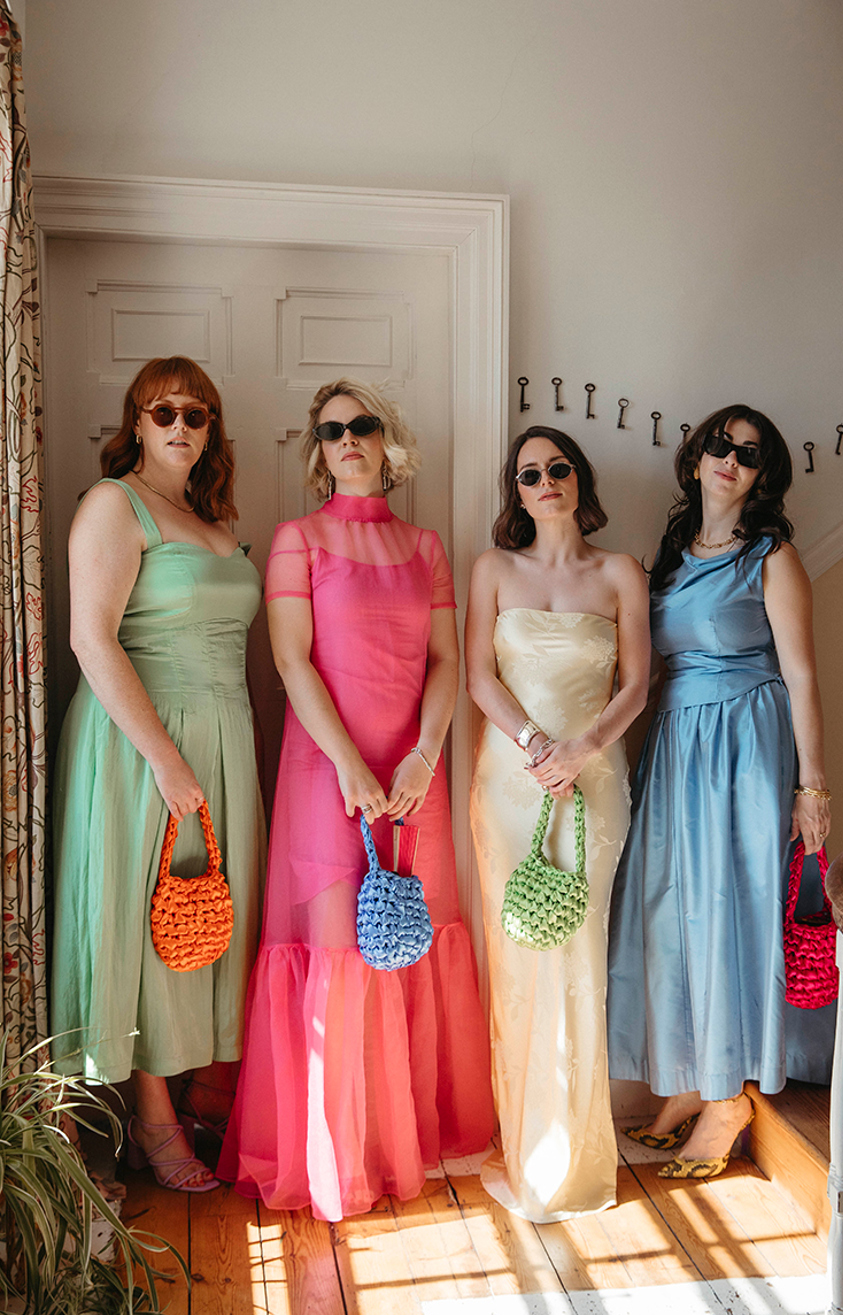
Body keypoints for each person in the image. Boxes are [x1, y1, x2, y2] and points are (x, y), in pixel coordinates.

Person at [218, 378, 492, 1219]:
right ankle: (336, 1158)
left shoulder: (426, 546)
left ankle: (399, 1141)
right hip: (324, 772)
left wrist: (423, 756)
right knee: (338, 948)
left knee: (402, 941)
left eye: (361, 425)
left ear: (385, 440)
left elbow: (446, 662)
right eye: (330, 429)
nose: (346, 439)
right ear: (318, 449)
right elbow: (290, 660)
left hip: (413, 776)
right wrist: (347, 765)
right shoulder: (296, 539)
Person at [51, 356, 265, 1193]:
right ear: (136, 424)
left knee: (195, 919)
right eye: (162, 411)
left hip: (222, 735)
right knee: (144, 923)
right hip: (142, 742)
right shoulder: (115, 503)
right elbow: (91, 638)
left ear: (212, 430)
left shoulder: (213, 518)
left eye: (196, 413)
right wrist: (167, 760)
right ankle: (149, 1118)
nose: (180, 425)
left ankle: (180, 1097)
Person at [607, 405, 834, 1180]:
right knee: (670, 912)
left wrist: (812, 785)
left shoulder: (771, 557)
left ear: (763, 475)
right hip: (675, 743)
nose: (729, 458)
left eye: (748, 452)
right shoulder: (669, 557)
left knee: (727, 909)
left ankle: (730, 1096)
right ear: (695, 457)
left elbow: (800, 674)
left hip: (744, 743)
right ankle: (692, 1077)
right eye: (718, 444)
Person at [465, 426, 650, 1221]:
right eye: (528, 473)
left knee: (577, 953)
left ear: (579, 479)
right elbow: (478, 677)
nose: (545, 481)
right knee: (516, 958)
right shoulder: (491, 568)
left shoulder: (619, 571)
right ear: (516, 490)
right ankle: (524, 1147)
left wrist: (580, 749)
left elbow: (636, 684)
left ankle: (571, 1160)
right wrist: (536, 745)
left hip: (594, 779)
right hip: (510, 782)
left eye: (558, 467)